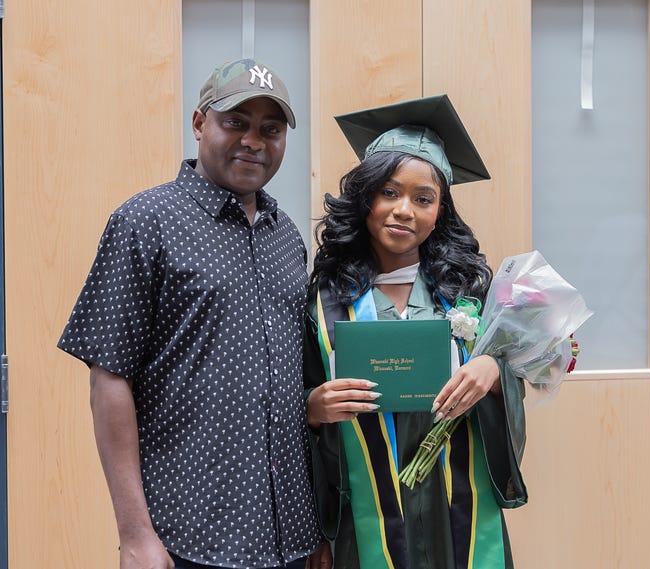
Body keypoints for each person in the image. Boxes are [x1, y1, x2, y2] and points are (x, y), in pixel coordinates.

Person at [58, 58, 323, 569]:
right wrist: (135, 534)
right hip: (189, 534)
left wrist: (314, 528)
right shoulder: (145, 221)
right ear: (200, 123)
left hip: (290, 533)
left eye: (270, 129)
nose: (253, 141)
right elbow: (109, 380)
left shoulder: (287, 236)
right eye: (235, 123)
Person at [303, 95, 528, 569]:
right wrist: (314, 409)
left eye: (423, 199)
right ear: (364, 198)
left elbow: (516, 377)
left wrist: (493, 368)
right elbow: (295, 393)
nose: (404, 210)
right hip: (366, 514)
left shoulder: (469, 289)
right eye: (388, 192)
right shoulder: (325, 300)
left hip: (458, 508)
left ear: (440, 210)